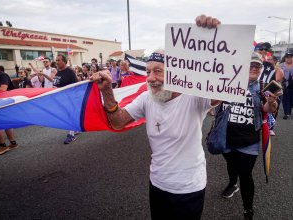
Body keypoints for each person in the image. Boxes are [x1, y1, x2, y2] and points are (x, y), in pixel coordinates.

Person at [91, 14, 221, 220]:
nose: (150, 78)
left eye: (158, 71)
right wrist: (107, 92)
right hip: (158, 183)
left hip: (189, 188)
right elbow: (117, 123)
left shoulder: (196, 96)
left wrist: (211, 36)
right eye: (148, 71)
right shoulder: (146, 98)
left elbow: (221, 85)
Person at [220, 52, 279, 220]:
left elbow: (269, 110)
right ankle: (232, 184)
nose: (254, 68)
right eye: (250, 65)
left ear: (261, 69)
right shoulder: (228, 82)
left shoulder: (264, 87)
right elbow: (215, 104)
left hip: (249, 140)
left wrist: (271, 102)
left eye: (257, 66)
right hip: (227, 135)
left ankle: (248, 209)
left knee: (245, 173)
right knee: (232, 165)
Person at [0, 58, 18, 156]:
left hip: (5, 101)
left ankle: (3, 146)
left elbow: (3, 89)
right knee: (6, 123)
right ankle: (13, 143)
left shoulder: (2, 75)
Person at [53, 54, 78, 144]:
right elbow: (56, 83)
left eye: (59, 60)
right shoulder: (58, 72)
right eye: (56, 60)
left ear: (64, 62)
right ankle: (76, 128)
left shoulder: (70, 72)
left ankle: (71, 135)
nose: (57, 62)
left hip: (70, 98)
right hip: (61, 99)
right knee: (67, 115)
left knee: (70, 115)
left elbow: (76, 86)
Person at [279, 53, 293, 119]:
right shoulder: (281, 65)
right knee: (285, 99)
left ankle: (289, 111)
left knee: (291, 99)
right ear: (285, 58)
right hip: (285, 84)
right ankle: (286, 113)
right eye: (287, 57)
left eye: (291, 57)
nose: (289, 58)